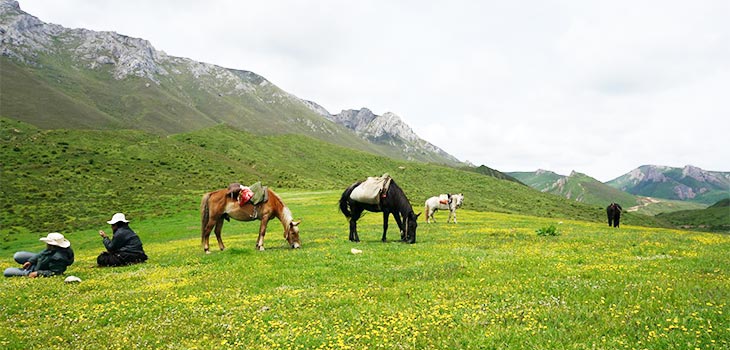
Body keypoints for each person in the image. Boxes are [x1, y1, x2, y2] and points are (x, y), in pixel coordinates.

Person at [4, 232, 75, 278]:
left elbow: (55, 272)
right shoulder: (54, 248)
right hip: (42, 261)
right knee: (18, 255)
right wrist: (31, 261)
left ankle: (26, 272)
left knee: (7, 271)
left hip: (39, 269)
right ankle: (30, 266)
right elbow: (42, 253)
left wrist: (37, 273)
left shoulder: (58, 258)